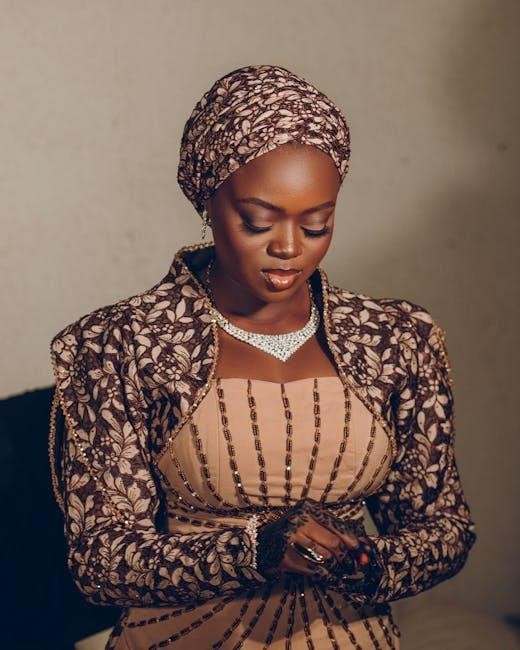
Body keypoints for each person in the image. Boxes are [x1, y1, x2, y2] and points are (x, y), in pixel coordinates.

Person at [49, 65, 476, 649]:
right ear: (207, 200)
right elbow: (102, 561)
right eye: (258, 221)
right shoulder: (121, 344)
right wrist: (255, 551)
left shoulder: (395, 339)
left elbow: (445, 528)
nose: (289, 247)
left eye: (317, 224)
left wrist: (368, 562)